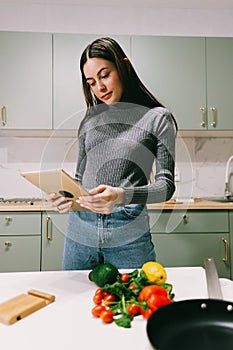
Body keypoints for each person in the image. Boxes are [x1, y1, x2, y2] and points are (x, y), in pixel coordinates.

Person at [47, 37, 178, 270]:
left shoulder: (157, 118)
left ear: (124, 66)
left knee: (135, 304)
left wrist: (119, 195)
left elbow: (166, 187)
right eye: (91, 82)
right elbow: (80, 178)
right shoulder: (90, 119)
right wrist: (66, 196)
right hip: (80, 233)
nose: (100, 88)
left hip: (128, 235)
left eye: (105, 75)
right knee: (75, 304)